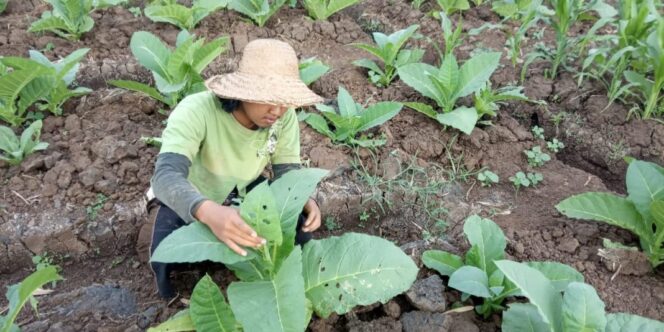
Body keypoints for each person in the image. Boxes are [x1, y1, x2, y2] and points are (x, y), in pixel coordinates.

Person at [136, 39, 325, 299]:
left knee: (299, 228)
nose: (277, 110)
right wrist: (210, 212)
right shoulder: (197, 110)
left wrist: (304, 197)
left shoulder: (284, 117)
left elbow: (287, 172)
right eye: (269, 98)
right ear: (242, 91)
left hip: (241, 192)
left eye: (284, 101)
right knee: (167, 256)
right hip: (189, 195)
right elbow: (166, 177)